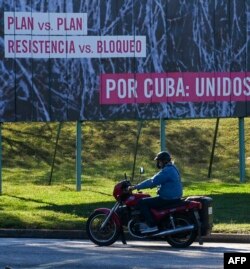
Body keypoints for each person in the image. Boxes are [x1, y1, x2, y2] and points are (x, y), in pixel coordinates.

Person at [129, 151, 183, 234]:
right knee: (148, 199)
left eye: (159, 161)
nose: (158, 163)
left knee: (142, 202)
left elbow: (152, 181)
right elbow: (157, 181)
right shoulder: (172, 168)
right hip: (174, 197)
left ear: (164, 161)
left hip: (168, 198)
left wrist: (135, 187)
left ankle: (152, 225)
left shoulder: (167, 171)